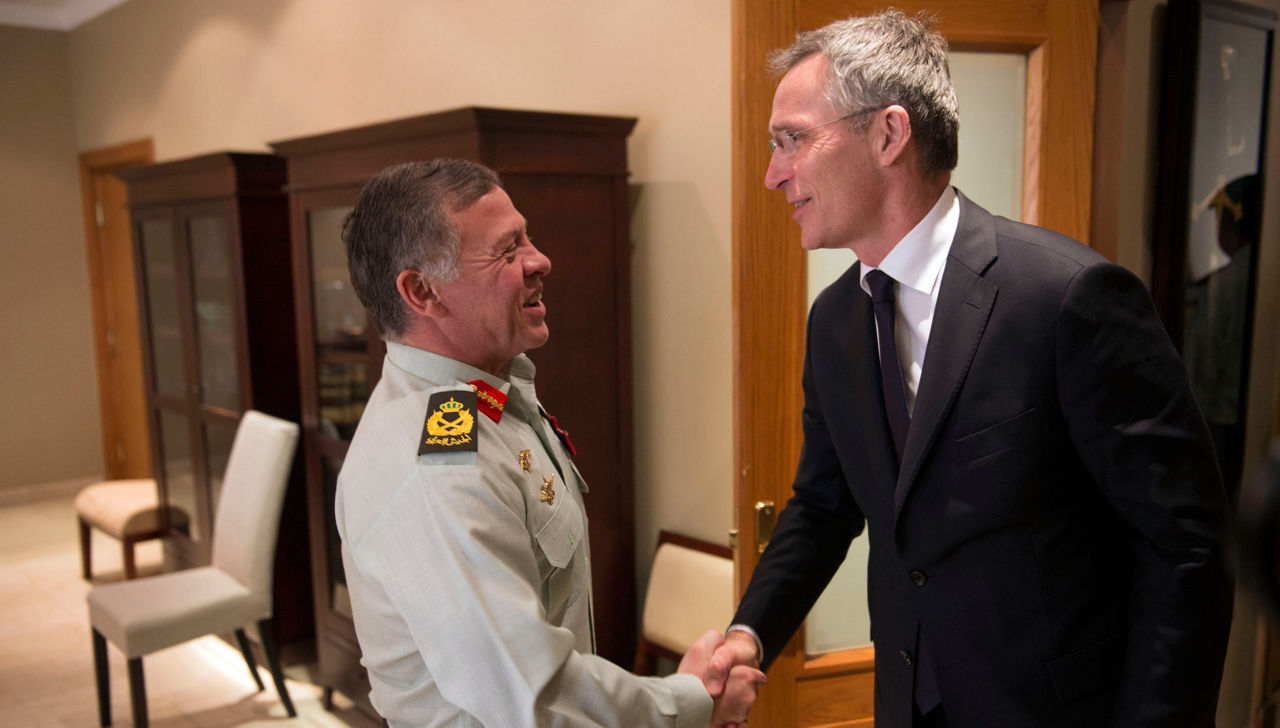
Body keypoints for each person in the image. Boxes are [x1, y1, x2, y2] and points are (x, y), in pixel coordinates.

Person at [705, 11, 1234, 728]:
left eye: (792, 139)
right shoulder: (834, 321)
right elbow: (826, 503)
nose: (774, 173)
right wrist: (751, 633)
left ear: (889, 134)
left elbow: (1186, 546)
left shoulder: (1067, 298)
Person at [335, 158, 763, 727]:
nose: (540, 260)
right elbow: (531, 696)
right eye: (507, 250)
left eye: (526, 236)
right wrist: (690, 704)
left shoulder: (484, 396)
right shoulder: (439, 466)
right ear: (423, 291)